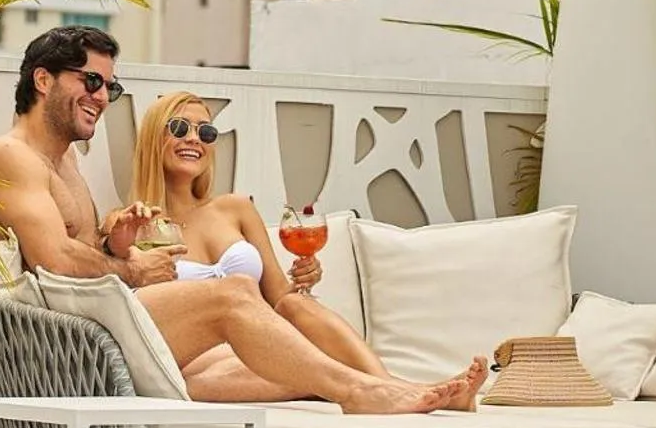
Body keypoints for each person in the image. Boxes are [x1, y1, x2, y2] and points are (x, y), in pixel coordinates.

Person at [0, 26, 485, 414]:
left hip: (105, 325)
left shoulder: (65, 162)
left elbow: (77, 255)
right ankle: (361, 391)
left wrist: (117, 252)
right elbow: (54, 259)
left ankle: (392, 388)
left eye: (110, 86)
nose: (102, 97)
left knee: (270, 345)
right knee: (236, 293)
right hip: (76, 346)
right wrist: (130, 270)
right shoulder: (12, 157)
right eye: (90, 81)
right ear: (42, 79)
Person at [127, 90, 478, 403]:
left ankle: (390, 387)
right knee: (202, 382)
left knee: (297, 304)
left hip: (258, 343)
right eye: (179, 128)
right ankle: (388, 390)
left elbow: (279, 296)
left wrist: (305, 278)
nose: (194, 139)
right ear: (154, 138)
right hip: (198, 357)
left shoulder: (235, 208)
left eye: (205, 132)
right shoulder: (133, 223)